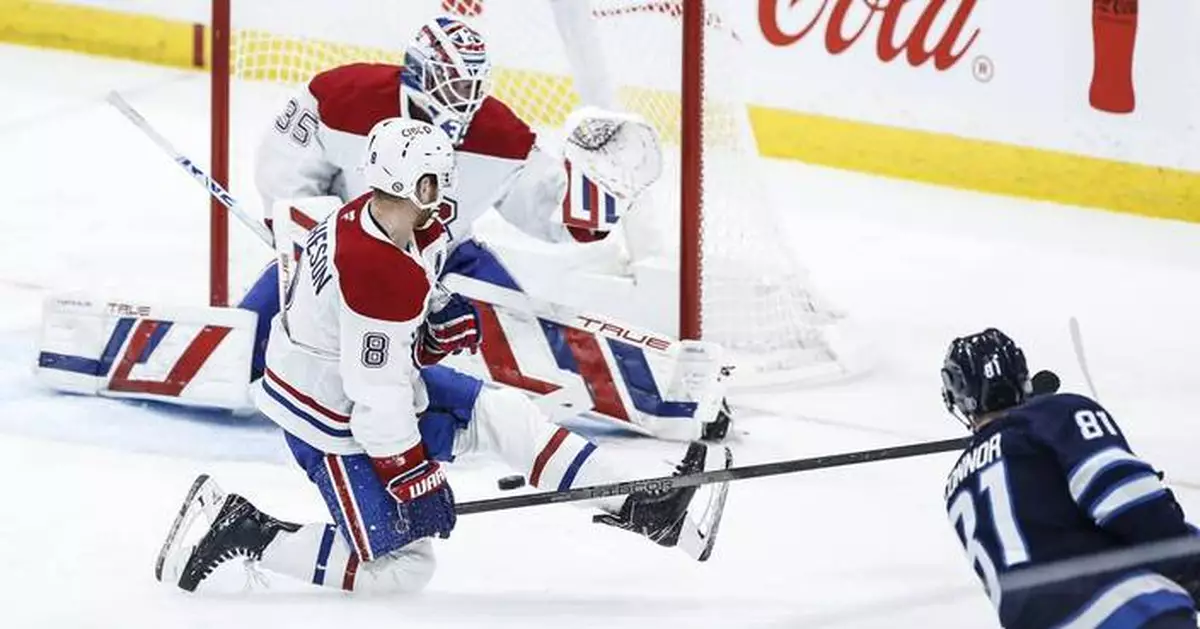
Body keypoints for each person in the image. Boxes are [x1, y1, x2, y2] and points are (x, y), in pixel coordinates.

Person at [155, 118, 731, 594]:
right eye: (436, 181)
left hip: (369, 389)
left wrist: (428, 334)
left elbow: (374, 348)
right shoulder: (375, 269)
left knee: (508, 418)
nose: (445, 191)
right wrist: (412, 477)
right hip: (328, 422)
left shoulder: (399, 228)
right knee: (404, 571)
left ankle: (648, 511)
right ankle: (246, 531)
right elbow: (373, 402)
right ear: (413, 186)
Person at [238, 13, 728, 441]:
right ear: (419, 75)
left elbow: (550, 214)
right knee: (252, 339)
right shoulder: (346, 98)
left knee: (532, 340)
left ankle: (668, 397)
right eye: (454, 85)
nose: (466, 98)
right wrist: (311, 236)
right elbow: (287, 169)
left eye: (474, 85)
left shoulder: (498, 133)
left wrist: (596, 197)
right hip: (343, 255)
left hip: (449, 259)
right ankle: (225, 361)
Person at [940, 328, 1200, 629]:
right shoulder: (1056, 413)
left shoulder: (956, 486)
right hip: (1131, 611)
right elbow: (1126, 497)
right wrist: (1187, 559)